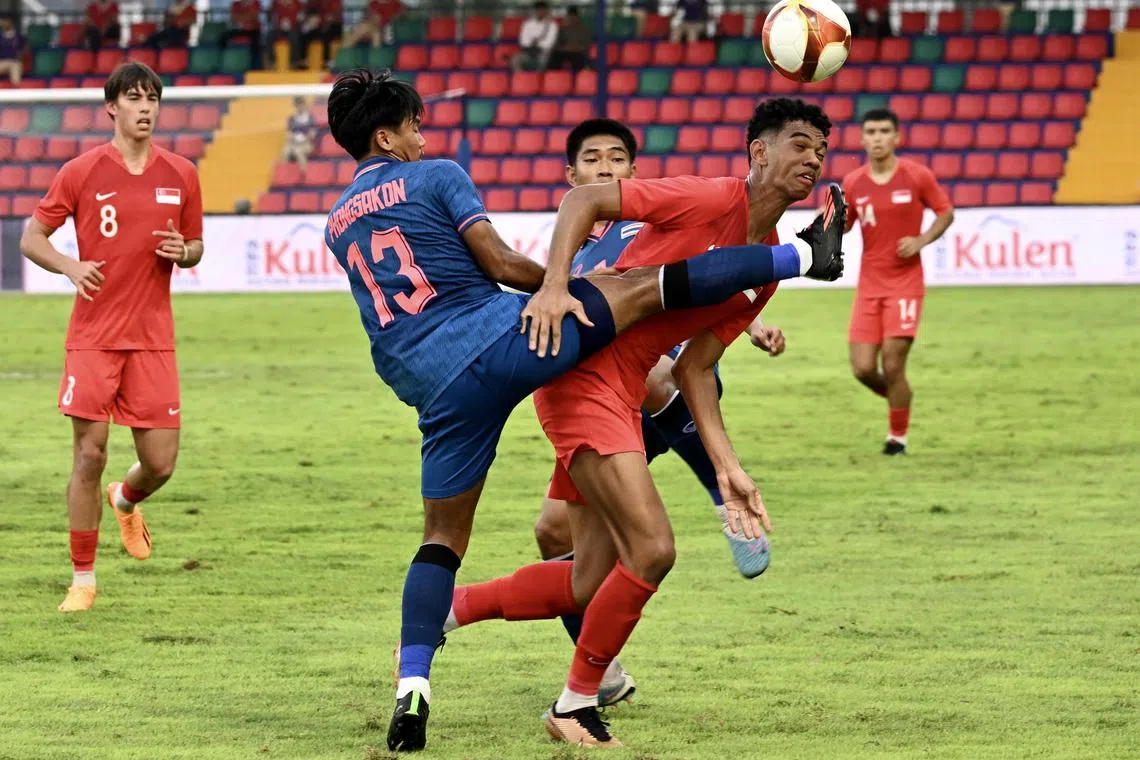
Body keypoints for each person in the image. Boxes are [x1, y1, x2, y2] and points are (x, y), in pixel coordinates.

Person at [320, 70, 845, 752]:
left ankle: (443, 620)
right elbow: (559, 222)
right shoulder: (707, 197)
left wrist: (729, 471)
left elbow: (694, 370)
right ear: (758, 154)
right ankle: (576, 704)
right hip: (571, 370)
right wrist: (559, 284)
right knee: (652, 545)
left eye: (821, 152)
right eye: (798, 144)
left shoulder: (757, 282)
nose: (812, 159)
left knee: (581, 577)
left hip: (507, 385)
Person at [532, 117, 784, 705]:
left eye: (616, 159)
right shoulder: (571, 249)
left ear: (632, 172)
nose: (605, 169)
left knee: (656, 374)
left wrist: (757, 326)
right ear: (572, 176)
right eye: (592, 160)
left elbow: (714, 273)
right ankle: (602, 669)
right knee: (550, 532)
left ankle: (722, 492)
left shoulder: (649, 222)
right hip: (604, 404)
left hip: (667, 383)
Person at [18, 62, 204, 614]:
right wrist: (71, 268)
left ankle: (125, 500)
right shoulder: (80, 171)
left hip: (152, 338)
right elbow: (33, 238)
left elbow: (196, 245)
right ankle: (83, 579)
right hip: (94, 336)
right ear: (112, 107)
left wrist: (184, 253)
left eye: (152, 99)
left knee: (162, 463)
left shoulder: (182, 174)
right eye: (134, 98)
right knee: (89, 453)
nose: (145, 108)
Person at [842, 108, 953, 455]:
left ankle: (897, 439)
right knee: (862, 369)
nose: (877, 138)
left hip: (905, 283)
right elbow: (843, 225)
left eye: (884, 131)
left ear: (896, 137)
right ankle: (899, 398)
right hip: (869, 285)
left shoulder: (916, 176)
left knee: (892, 363)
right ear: (861, 139)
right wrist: (825, 221)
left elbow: (946, 213)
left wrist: (921, 240)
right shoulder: (853, 183)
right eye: (871, 132)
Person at [513, 1, 557, 72]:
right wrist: (532, 43)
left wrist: (536, 43)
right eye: (538, 10)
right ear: (535, 11)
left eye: (542, 10)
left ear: (546, 11)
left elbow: (550, 42)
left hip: (543, 52)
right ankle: (522, 79)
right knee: (516, 60)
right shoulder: (527, 24)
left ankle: (536, 80)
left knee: (543, 61)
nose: (540, 12)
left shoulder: (552, 25)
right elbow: (523, 40)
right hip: (528, 51)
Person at [220, 0, 264, 69]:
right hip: (239, 30)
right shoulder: (236, 4)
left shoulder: (256, 3)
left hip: (252, 30)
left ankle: (255, 67)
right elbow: (233, 17)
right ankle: (223, 62)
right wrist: (247, 17)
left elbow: (254, 16)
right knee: (224, 37)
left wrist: (240, 17)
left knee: (256, 44)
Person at [300, 0, 343, 68]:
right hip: (318, 25)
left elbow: (335, 16)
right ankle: (304, 60)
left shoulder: (335, 2)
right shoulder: (316, 2)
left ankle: (327, 60)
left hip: (332, 26)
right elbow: (310, 11)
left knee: (327, 34)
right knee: (305, 33)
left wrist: (327, 21)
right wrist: (312, 19)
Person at [549, 6, 591, 72]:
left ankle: (577, 77)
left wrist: (576, 48)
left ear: (577, 17)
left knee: (579, 58)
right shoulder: (562, 28)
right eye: (570, 16)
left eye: (574, 16)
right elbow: (556, 43)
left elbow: (586, 45)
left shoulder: (584, 29)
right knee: (554, 56)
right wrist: (564, 48)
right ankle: (555, 76)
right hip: (564, 51)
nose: (572, 18)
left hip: (577, 52)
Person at [281, 96, 316, 172]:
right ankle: (284, 172)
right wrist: (293, 138)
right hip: (293, 143)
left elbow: (312, 134)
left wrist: (303, 139)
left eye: (301, 105)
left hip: (306, 144)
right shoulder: (292, 118)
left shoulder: (310, 118)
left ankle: (304, 173)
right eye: (297, 105)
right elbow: (288, 133)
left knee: (299, 151)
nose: (300, 107)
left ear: (305, 105)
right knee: (285, 151)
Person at [268, 0, 304, 68]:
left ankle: (294, 61)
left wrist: (294, 24)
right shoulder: (276, 3)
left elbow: (301, 17)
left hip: (293, 28)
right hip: (279, 29)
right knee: (270, 36)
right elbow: (271, 16)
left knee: (295, 37)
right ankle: (272, 60)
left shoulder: (297, 3)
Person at [0, 15, 23, 85]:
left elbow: (22, 51)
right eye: (3, 22)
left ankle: (16, 92)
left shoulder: (18, 37)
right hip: (2, 62)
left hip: (14, 62)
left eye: (7, 21)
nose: (5, 23)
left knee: (15, 67)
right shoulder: (0, 37)